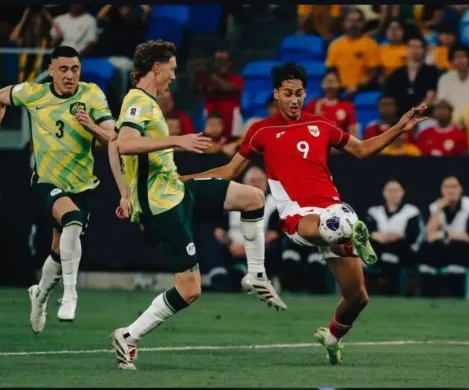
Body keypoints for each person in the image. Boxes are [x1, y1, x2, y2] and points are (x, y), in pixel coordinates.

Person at [180, 62, 427, 365]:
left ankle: (332, 337)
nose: (294, 99)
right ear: (276, 94)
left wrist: (401, 126)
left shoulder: (321, 125)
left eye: (299, 93)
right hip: (297, 213)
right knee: (329, 225)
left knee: (358, 297)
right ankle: (349, 231)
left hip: (331, 208)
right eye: (288, 93)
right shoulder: (261, 131)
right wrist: (184, 180)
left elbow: (362, 150)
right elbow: (229, 171)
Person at [110, 40, 286, 370]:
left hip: (177, 191)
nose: (174, 77)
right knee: (189, 290)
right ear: (157, 68)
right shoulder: (137, 100)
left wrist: (123, 192)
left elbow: (111, 142)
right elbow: (125, 144)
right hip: (161, 208)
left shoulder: (147, 103)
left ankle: (256, 275)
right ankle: (128, 336)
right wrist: (176, 140)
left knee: (253, 197)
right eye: (172, 69)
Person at [0, 46, 115, 330]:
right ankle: (70, 295)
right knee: (72, 220)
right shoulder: (33, 93)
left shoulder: (91, 94)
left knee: (58, 251)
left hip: (83, 186)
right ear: (51, 70)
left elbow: (112, 136)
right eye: (63, 69)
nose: (69, 75)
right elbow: (1, 96)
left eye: (75, 69)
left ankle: (39, 295)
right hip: (46, 182)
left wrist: (92, 127)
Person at [365, 179, 423, 295]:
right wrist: (387, 236)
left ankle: (393, 291)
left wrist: (388, 236)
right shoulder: (375, 211)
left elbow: (410, 236)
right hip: (379, 249)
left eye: (396, 191)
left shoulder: (411, 212)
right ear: (384, 193)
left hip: (403, 251)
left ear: (402, 192)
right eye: (390, 191)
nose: (393, 194)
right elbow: (370, 231)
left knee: (395, 250)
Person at [304, 70, 358, 136]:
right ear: (321, 84)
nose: (330, 84)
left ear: (339, 84)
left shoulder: (347, 106)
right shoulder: (312, 104)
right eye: (327, 81)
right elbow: (304, 129)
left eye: (333, 81)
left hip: (340, 145)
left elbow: (353, 134)